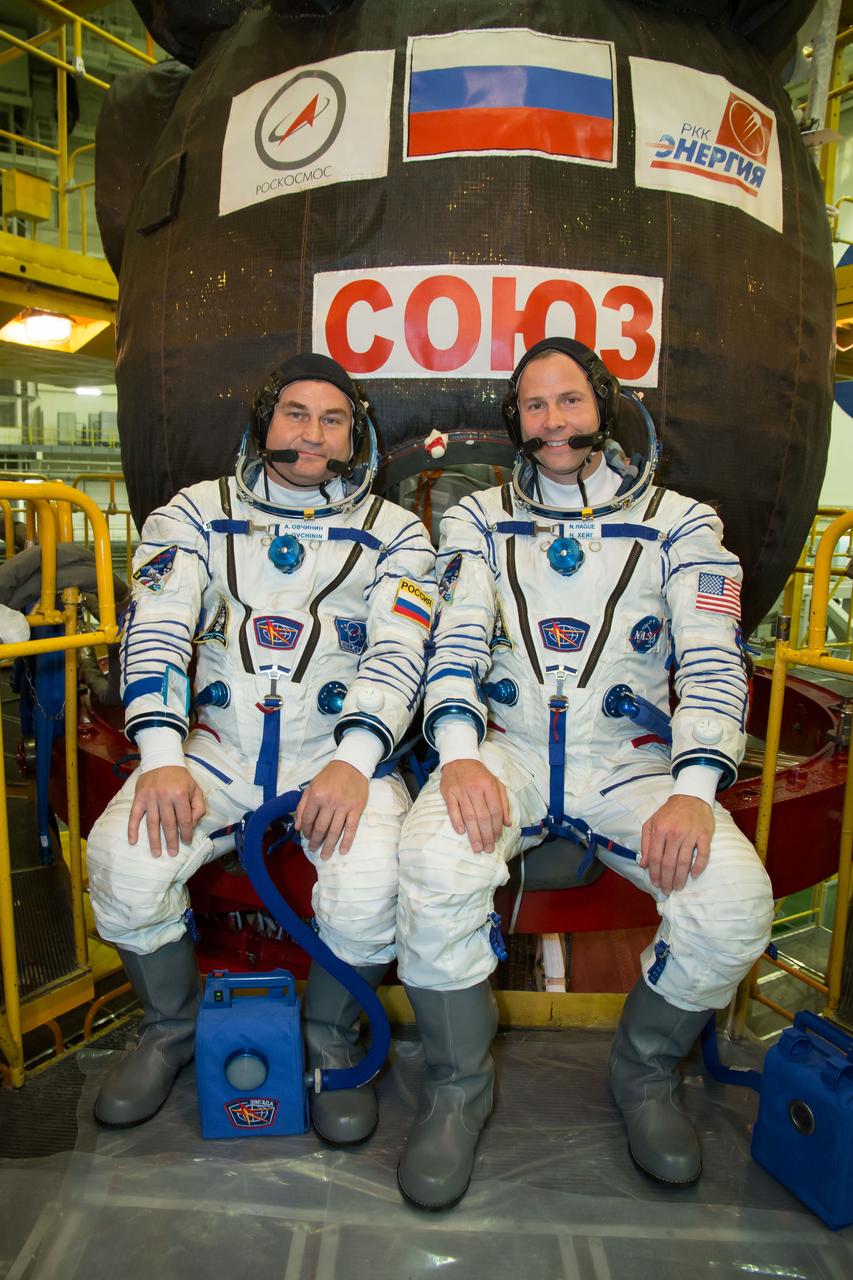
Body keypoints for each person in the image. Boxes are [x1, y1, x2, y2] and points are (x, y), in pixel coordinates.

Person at [394, 337, 774, 1209]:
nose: (552, 421)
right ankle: (459, 1085)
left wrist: (692, 788)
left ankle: (643, 1074)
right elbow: (452, 638)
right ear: (514, 421)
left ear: (603, 406)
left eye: (569, 401)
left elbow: (715, 663)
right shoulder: (476, 519)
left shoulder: (683, 523)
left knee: (734, 905)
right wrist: (457, 756)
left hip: (628, 766)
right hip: (511, 749)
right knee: (432, 862)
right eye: (533, 405)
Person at [87, 353, 435, 1138]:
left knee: (369, 881)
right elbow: (158, 628)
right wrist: (162, 755)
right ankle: (169, 1030)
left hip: (341, 753)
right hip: (216, 751)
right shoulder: (193, 513)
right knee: (123, 861)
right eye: (295, 414)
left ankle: (328, 1039)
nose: (312, 434)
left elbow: (397, 649)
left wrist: (354, 761)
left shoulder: (395, 533)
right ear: (263, 422)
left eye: (333, 419)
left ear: (357, 436)